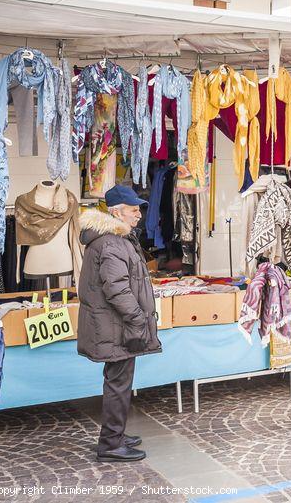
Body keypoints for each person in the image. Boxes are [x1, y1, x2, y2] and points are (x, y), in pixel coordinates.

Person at [77, 185, 161, 462]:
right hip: (117, 326)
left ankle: (115, 434)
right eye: (134, 210)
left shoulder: (111, 240)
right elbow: (116, 288)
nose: (139, 214)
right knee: (118, 384)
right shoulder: (112, 242)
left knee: (117, 382)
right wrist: (138, 318)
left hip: (113, 325)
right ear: (117, 212)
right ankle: (111, 443)